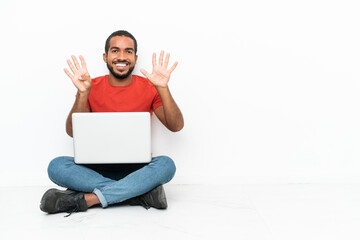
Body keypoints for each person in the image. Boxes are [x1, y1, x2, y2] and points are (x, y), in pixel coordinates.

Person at [40, 30, 184, 216]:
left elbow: (176, 126)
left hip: (137, 170)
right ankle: (138, 194)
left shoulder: (150, 87)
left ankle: (89, 200)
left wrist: (163, 88)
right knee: (56, 166)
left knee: (166, 165)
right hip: (94, 171)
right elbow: (72, 132)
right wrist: (83, 94)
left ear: (135, 57)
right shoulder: (89, 86)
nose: (122, 57)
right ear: (105, 56)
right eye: (115, 51)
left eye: (128, 51)